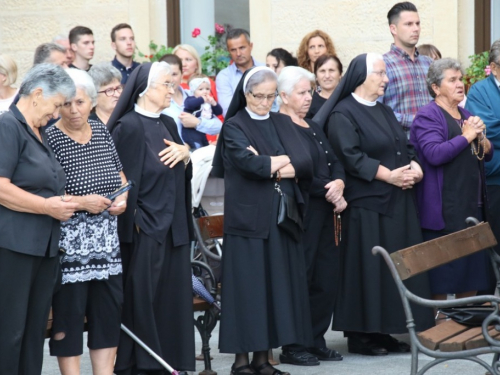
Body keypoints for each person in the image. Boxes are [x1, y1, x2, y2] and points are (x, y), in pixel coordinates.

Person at [313, 53, 434, 356]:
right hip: (366, 205)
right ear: (362, 77)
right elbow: (352, 157)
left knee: (390, 269)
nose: (385, 79)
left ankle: (385, 330)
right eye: (380, 73)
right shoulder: (343, 113)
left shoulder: (383, 110)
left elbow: (403, 145)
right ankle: (361, 335)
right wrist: (390, 176)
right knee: (367, 270)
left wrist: (415, 168)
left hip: (397, 200)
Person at [213, 66, 314, 375]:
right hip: (247, 222)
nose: (266, 102)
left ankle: (263, 359)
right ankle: (241, 362)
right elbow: (248, 163)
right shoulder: (234, 126)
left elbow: (305, 162)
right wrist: (275, 161)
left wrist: (273, 162)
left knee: (272, 291)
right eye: (260, 96)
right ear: (246, 94)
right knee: (247, 292)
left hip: (278, 220)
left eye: (271, 96)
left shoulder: (280, 121)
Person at [107, 61, 195, 374]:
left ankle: (170, 362)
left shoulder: (169, 124)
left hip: (174, 227)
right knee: (143, 300)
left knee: (172, 300)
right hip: (147, 230)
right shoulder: (129, 126)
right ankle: (141, 365)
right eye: (165, 85)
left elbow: (180, 171)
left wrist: (187, 155)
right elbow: (122, 184)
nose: (171, 90)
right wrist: (139, 224)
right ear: (145, 90)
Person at [46, 68, 127, 375]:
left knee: (107, 315)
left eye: (79, 102)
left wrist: (122, 200)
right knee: (68, 316)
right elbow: (49, 193)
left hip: (107, 243)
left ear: (92, 102)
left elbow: (120, 178)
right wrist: (84, 203)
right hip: (71, 247)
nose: (73, 110)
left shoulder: (101, 130)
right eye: (66, 103)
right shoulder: (51, 138)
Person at [0, 63, 78, 375]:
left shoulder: (41, 131)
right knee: (10, 333)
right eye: (57, 104)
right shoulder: (8, 126)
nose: (58, 113)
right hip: (14, 247)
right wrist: (47, 207)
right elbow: (1, 188)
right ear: (37, 94)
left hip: (44, 247)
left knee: (33, 333)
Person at [278, 66, 346, 364]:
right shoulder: (278, 126)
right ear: (283, 95)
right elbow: (294, 172)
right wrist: (328, 188)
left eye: (310, 91)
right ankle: (294, 344)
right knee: (301, 278)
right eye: (303, 92)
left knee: (325, 278)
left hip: (327, 211)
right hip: (302, 212)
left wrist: (340, 183)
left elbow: (335, 162)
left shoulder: (314, 126)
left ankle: (316, 340)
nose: (309, 98)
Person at [411, 58, 493, 300]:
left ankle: (462, 319)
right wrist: (468, 136)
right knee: (442, 278)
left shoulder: (465, 114)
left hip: (471, 206)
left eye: (460, 79)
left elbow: (485, 154)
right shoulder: (428, 115)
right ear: (436, 87)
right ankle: (439, 325)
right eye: (452, 80)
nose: (460, 84)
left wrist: (483, 141)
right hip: (444, 210)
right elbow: (435, 154)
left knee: (472, 275)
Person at [466, 42, 500, 258]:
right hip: (494, 178)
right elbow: (486, 130)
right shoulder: (479, 90)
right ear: (495, 68)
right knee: (494, 238)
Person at [381, 1, 433, 138]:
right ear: (393, 29)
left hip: (434, 143)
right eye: (409, 24)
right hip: (402, 147)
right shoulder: (382, 64)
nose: (415, 28)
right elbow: (376, 111)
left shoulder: (429, 64)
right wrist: (416, 120)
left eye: (417, 23)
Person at [160, 54, 222, 148]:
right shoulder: (159, 102)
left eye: (174, 74)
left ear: (181, 74)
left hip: (199, 153)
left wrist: (197, 122)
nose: (171, 79)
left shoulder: (194, 95)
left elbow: (218, 126)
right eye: (167, 75)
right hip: (176, 156)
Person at [216, 28, 263, 115]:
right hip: (240, 126)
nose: (238, 53)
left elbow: (275, 104)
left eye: (242, 48)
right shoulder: (224, 76)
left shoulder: (264, 70)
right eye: (233, 50)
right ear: (228, 51)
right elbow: (228, 111)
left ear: (251, 46)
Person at [183, 75, 223, 149]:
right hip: (190, 130)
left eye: (207, 89)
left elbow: (219, 112)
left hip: (202, 130)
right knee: (197, 146)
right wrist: (202, 99)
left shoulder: (208, 102)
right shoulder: (191, 99)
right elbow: (189, 105)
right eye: (201, 89)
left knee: (205, 145)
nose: (205, 91)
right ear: (193, 90)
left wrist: (214, 103)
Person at [306, 54, 343, 119]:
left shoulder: (349, 100)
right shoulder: (309, 102)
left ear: (340, 74)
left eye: (331, 70)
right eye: (322, 71)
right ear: (316, 76)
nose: (327, 76)